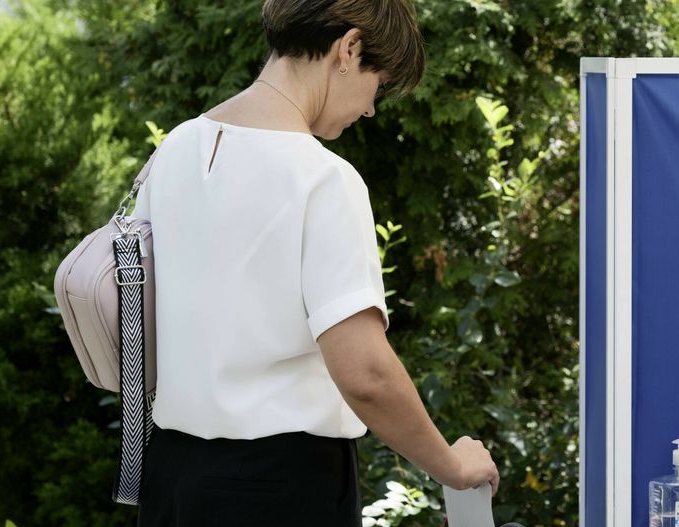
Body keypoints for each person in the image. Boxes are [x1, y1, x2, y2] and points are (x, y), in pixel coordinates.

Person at [133, 1, 499, 525]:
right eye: (380, 83)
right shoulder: (324, 179)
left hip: (168, 479)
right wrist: (450, 466)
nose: (371, 108)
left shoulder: (174, 150)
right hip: (281, 487)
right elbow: (365, 372)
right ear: (348, 49)